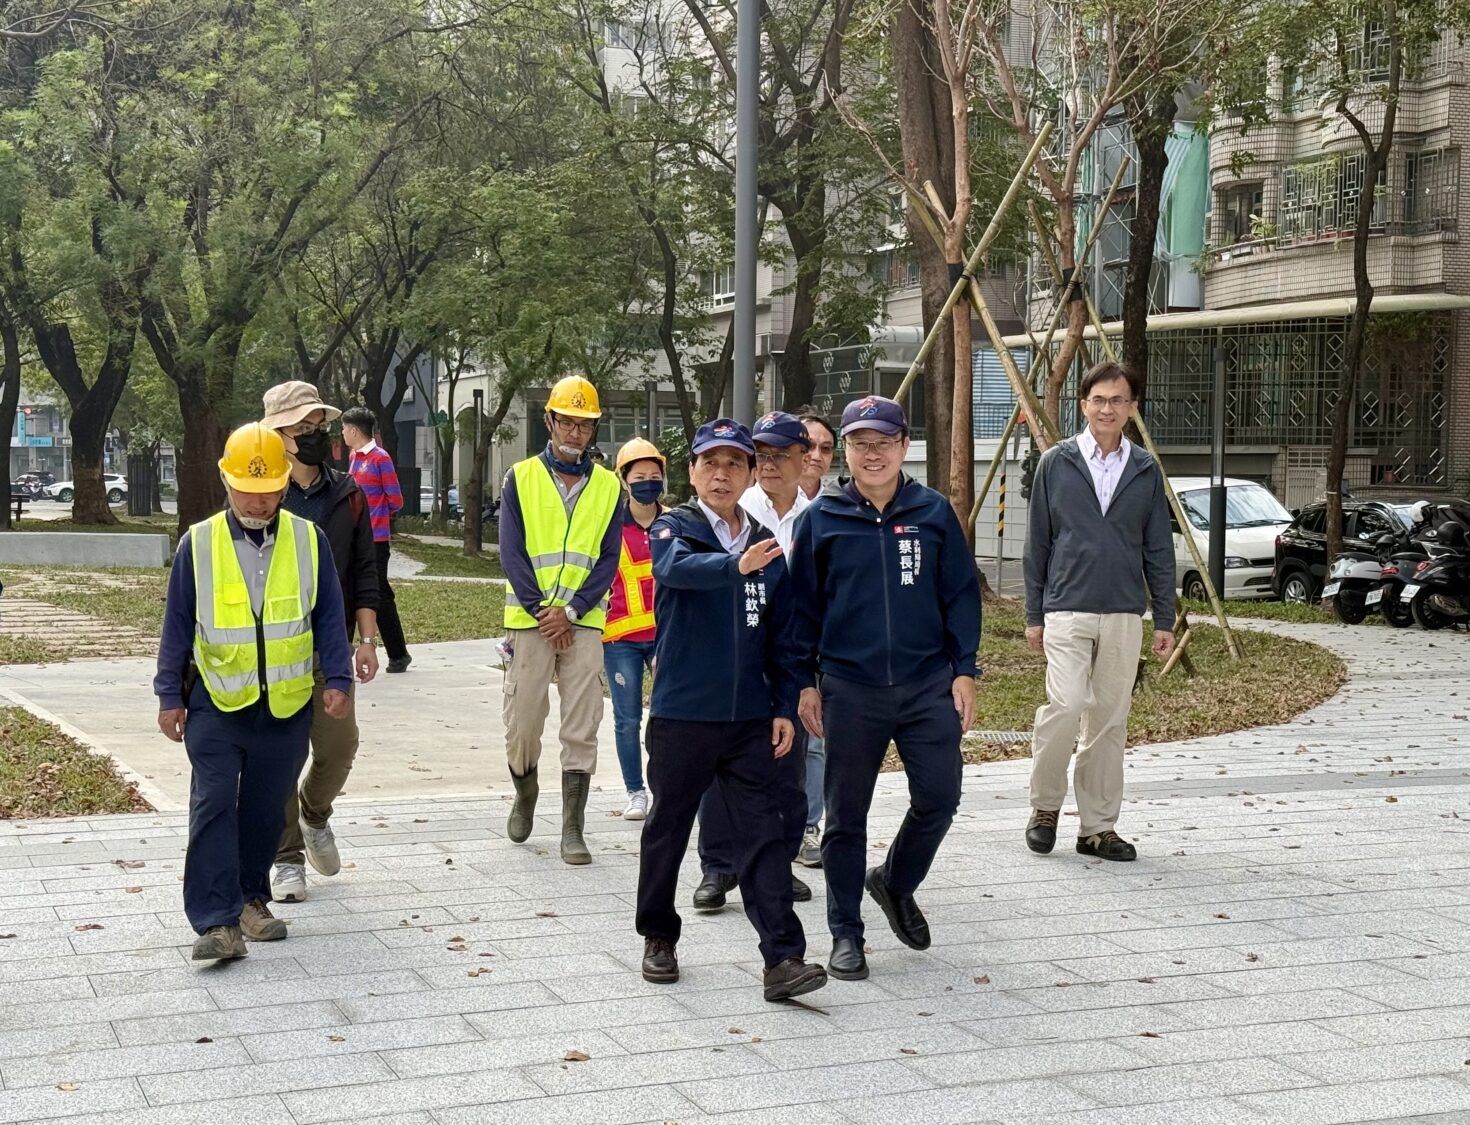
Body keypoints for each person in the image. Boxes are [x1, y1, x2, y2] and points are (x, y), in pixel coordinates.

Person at [635, 418, 827, 1002]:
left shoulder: (765, 541)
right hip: (684, 714)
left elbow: (783, 634)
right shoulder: (674, 528)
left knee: (763, 833)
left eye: (734, 464)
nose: (721, 475)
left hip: (749, 719)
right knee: (668, 827)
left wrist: (783, 703)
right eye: (710, 464)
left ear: (747, 475)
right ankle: (659, 937)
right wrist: (733, 566)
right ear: (692, 472)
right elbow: (672, 570)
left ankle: (783, 958)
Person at [790, 395, 980, 982]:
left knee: (940, 797)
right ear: (844, 450)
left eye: (883, 443)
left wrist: (965, 669)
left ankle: (895, 882)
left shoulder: (933, 512)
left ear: (904, 446)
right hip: (850, 687)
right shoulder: (822, 518)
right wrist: (804, 684)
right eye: (859, 443)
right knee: (847, 816)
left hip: (927, 684)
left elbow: (959, 595)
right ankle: (846, 932)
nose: (872, 454)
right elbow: (801, 611)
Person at [154, 423, 352, 962]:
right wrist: (169, 694)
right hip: (217, 702)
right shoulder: (198, 543)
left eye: (268, 490)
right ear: (226, 481)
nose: (258, 501)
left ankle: (249, 900)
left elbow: (328, 615)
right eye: (246, 489)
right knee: (214, 802)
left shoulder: (309, 541)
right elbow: (177, 624)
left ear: (285, 484)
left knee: (266, 811)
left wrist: (338, 679)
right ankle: (217, 922)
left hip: (285, 704)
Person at [1022, 361, 1176, 863]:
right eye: (1099, 400)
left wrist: (1165, 617)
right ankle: (1045, 808)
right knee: (1066, 705)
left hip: (1124, 612)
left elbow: (1158, 548)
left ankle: (1097, 828)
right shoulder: (1057, 462)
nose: (1107, 408)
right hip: (1066, 607)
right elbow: (1038, 543)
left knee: (1109, 721)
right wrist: (1033, 613)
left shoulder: (1145, 469)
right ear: (1084, 404)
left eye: (1118, 400)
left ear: (1133, 408)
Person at [261, 382, 381, 904]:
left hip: (329, 643)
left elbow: (365, 570)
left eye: (318, 426)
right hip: (271, 647)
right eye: (301, 427)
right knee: (280, 755)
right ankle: (286, 858)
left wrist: (368, 639)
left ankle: (315, 812)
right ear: (276, 434)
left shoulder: (347, 494)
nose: (314, 435)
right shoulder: (260, 492)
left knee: (339, 744)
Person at [499, 375, 623, 864]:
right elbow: (511, 552)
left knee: (582, 721)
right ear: (549, 420)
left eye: (584, 425)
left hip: (584, 619)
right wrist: (542, 610)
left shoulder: (609, 487)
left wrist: (571, 611)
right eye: (567, 422)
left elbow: (608, 558)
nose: (575, 433)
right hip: (530, 620)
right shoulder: (520, 477)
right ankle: (525, 790)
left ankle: (573, 827)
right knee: (523, 721)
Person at [693, 411, 813, 912]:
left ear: (805, 460)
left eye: (780, 455)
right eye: (760, 456)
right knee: (721, 770)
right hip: (734, 657)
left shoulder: (822, 513)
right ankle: (718, 866)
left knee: (788, 764)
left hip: (796, 651)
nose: (768, 465)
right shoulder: (732, 512)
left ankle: (778, 862)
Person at [602, 437, 667, 821]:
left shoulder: (676, 521)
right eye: (639, 477)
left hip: (666, 637)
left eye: (653, 476)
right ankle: (635, 792)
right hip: (620, 639)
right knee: (627, 720)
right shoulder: (608, 525)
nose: (647, 483)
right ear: (624, 480)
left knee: (668, 718)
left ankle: (667, 789)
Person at [793, 408, 837, 867]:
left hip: (820, 643)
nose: (816, 455)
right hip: (766, 637)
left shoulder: (837, 508)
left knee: (816, 738)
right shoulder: (756, 502)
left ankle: (808, 825)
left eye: (826, 448)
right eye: (808, 446)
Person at [341, 407, 412, 674]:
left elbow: (396, 500)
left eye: (344, 428)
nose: (342, 433)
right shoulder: (353, 457)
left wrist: (376, 516)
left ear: (354, 430)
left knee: (379, 593)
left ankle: (398, 654)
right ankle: (351, 650)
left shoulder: (380, 458)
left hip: (376, 539)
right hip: (355, 535)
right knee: (359, 590)